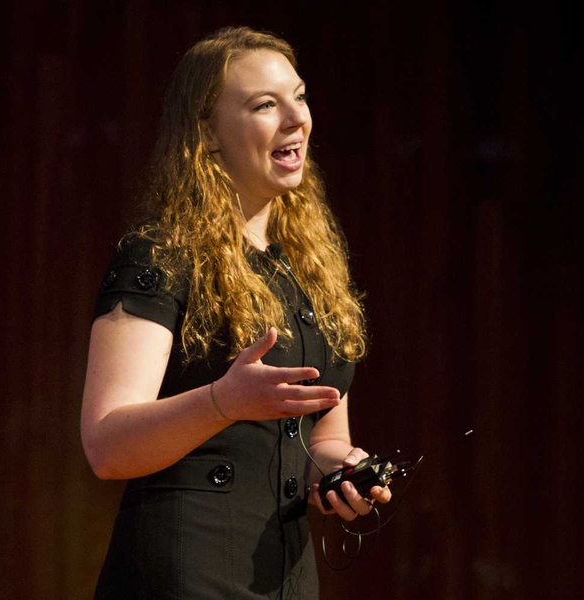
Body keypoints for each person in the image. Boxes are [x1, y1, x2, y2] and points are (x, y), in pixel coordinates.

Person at [81, 25, 391, 600]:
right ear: (208, 132)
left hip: (284, 575)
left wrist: (341, 471)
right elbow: (106, 444)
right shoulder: (161, 254)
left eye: (298, 96)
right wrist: (223, 401)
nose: (297, 118)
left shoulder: (311, 267)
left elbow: (323, 435)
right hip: (187, 571)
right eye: (264, 105)